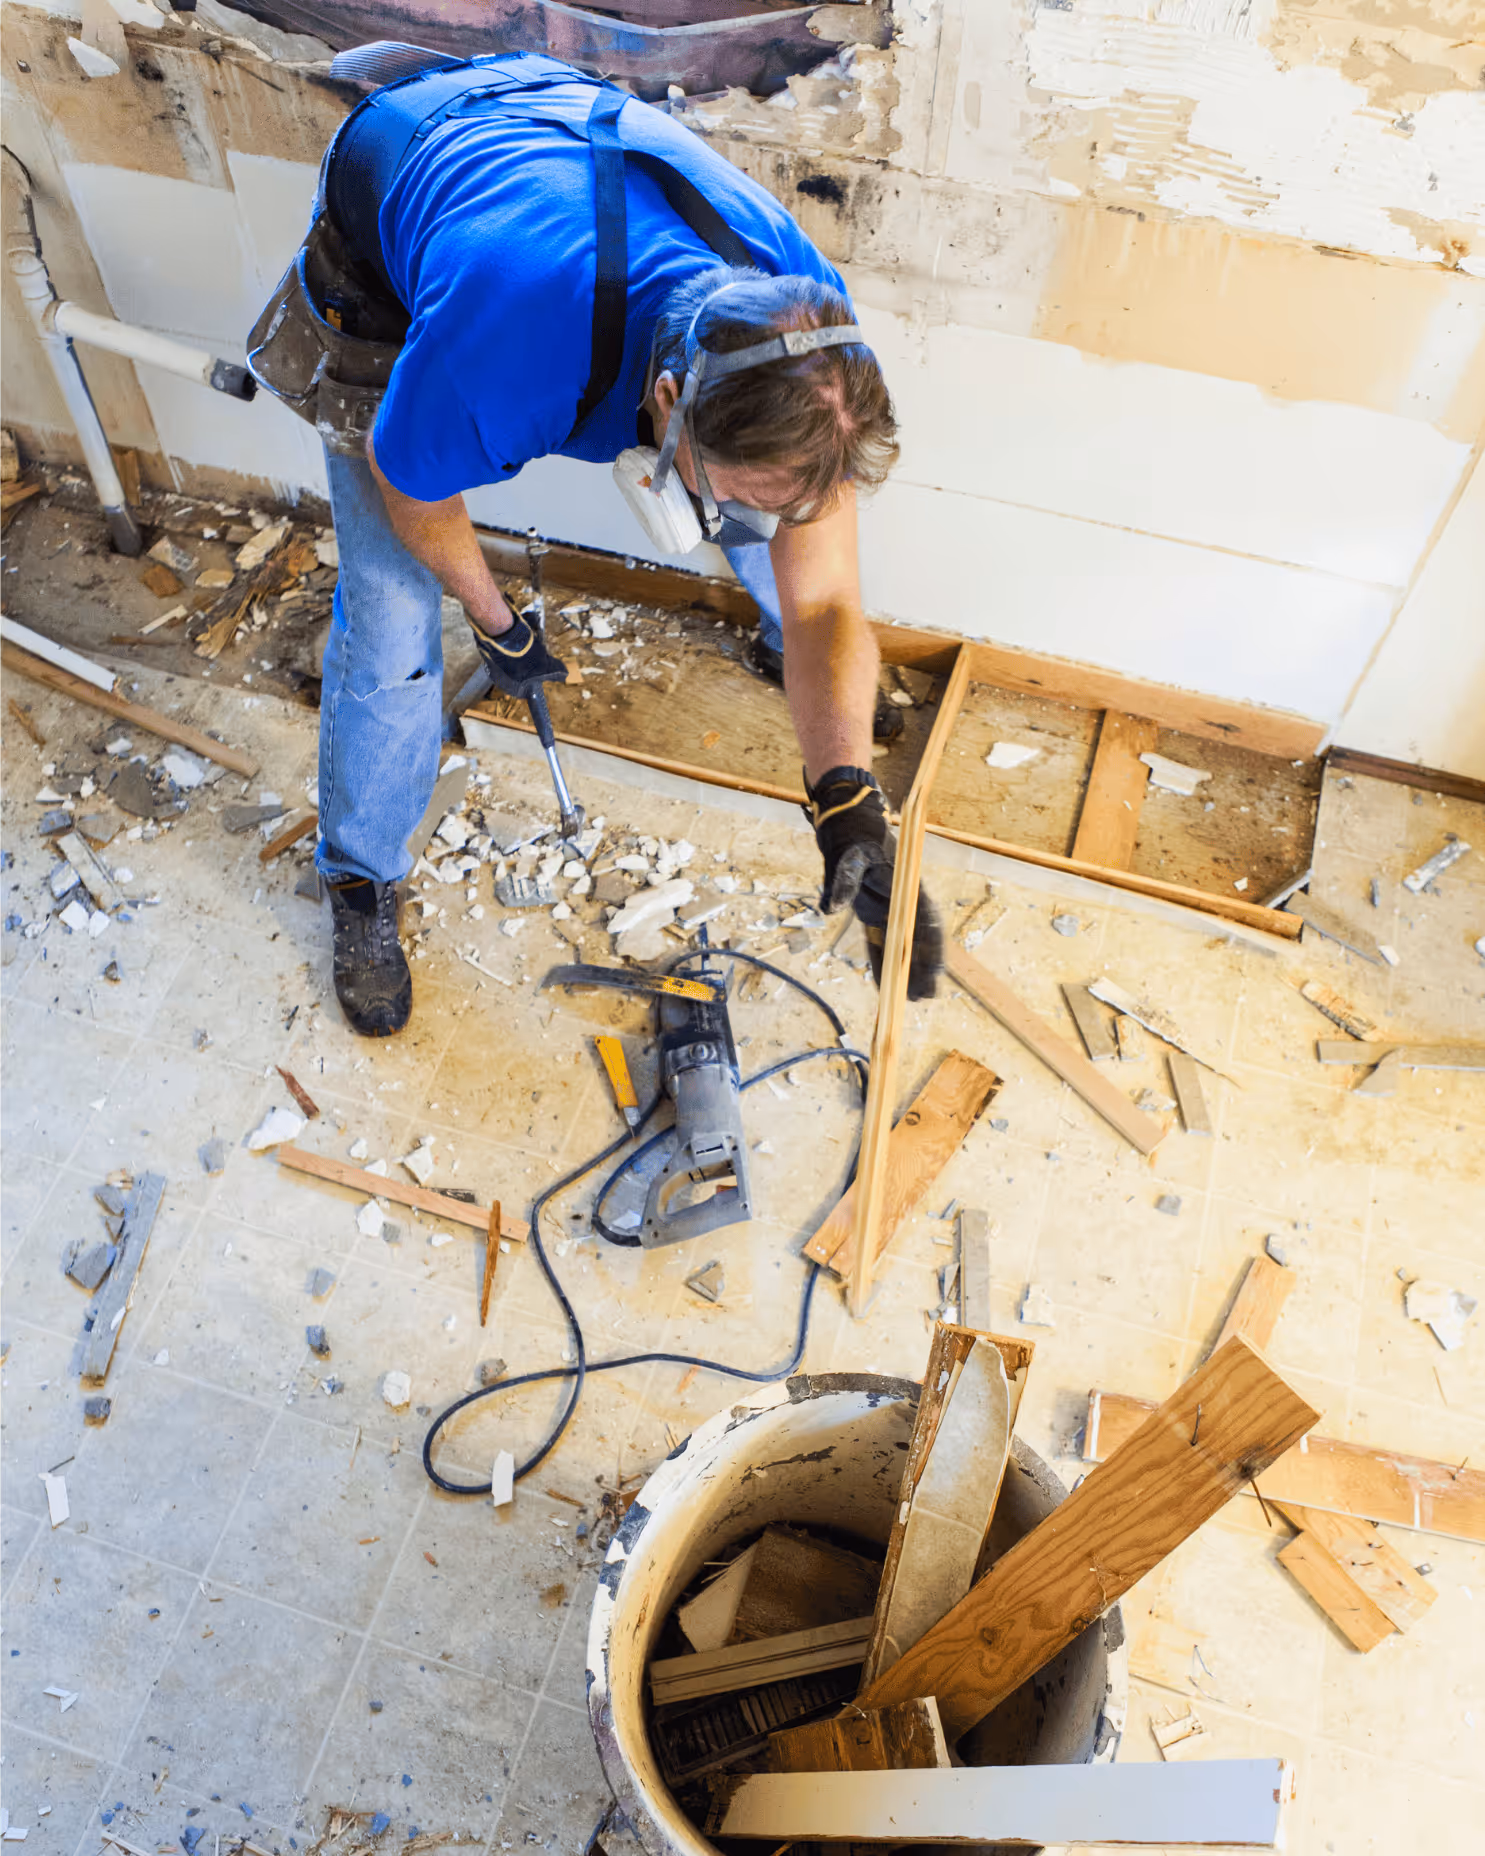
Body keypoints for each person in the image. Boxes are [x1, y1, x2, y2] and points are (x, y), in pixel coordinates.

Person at [248, 47, 942, 1037]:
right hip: (400, 206)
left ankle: (784, 650)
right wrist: (495, 622)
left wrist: (843, 792)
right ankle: (361, 878)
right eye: (737, 489)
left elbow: (830, 596)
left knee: (773, 522)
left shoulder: (811, 351)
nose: (769, 513)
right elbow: (417, 491)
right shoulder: (506, 344)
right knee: (395, 608)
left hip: (546, 134)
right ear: (664, 406)